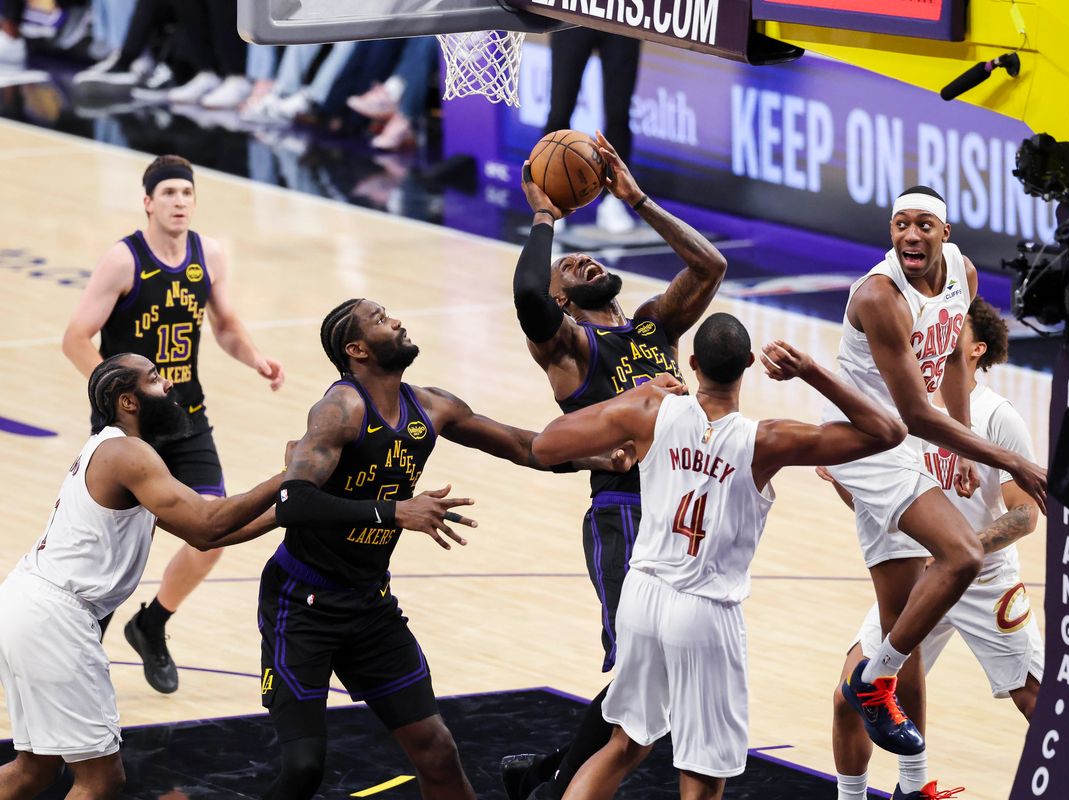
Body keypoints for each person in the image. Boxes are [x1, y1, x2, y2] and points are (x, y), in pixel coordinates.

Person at [527, 314, 907, 800]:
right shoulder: (766, 440)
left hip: (642, 596)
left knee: (623, 744)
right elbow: (887, 431)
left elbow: (544, 444)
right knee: (703, 775)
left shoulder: (648, 409)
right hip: (705, 610)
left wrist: (631, 398)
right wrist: (810, 370)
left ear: (691, 364)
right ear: (748, 364)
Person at [258, 298, 625, 800]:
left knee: (437, 750)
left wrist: (597, 458)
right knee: (303, 768)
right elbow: (294, 500)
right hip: (302, 605)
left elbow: (523, 445)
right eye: (381, 319)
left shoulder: (431, 405)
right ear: (357, 348)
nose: (398, 320)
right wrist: (395, 512)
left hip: (369, 606)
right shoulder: (339, 410)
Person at [504, 131, 727, 800]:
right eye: (565, 269)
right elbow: (529, 300)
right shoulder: (574, 347)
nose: (576, 261)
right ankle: (559, 785)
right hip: (625, 511)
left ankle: (546, 775)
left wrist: (638, 200)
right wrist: (545, 216)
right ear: (564, 305)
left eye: (579, 257)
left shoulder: (653, 327)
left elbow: (709, 265)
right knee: (641, 663)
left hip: (684, 512)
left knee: (656, 669)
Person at [824, 185, 1045, 795]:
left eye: (924, 225)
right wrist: (1001, 460)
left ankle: (912, 780)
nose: (910, 236)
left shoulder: (963, 279)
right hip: (878, 439)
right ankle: (876, 686)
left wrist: (967, 436)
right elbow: (915, 417)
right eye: (900, 225)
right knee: (954, 560)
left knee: (927, 615)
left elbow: (947, 360)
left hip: (944, 511)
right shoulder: (878, 295)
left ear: (945, 233)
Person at [0, 353, 284, 800]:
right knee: (101, 780)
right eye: (155, 379)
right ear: (128, 402)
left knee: (33, 771)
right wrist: (292, 476)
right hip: (54, 617)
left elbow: (205, 534)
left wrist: (292, 508)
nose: (169, 384)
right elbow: (209, 522)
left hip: (29, 607)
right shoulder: (128, 453)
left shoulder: (117, 453)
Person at [61, 154, 285, 695]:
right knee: (113, 541)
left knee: (215, 529)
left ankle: (152, 623)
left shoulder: (209, 254)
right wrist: (114, 391)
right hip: (130, 428)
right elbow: (75, 338)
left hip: (187, 415)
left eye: (186, 192)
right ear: (148, 202)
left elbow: (225, 324)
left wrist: (253, 357)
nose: (179, 201)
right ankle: (87, 632)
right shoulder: (123, 260)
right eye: (168, 194)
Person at [544, 30, 641, 233]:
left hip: (622, 14)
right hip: (573, 16)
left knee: (619, 114)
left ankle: (613, 202)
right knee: (560, 111)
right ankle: (553, 200)